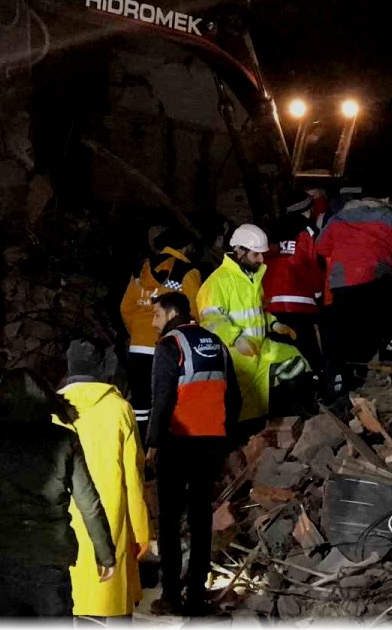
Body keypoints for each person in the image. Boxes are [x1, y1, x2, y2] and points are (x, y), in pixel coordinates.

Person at [0, 369, 117, 618]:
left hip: (1, 555)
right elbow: (89, 503)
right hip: (51, 556)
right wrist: (105, 553)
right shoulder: (65, 440)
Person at [145, 293, 242, 616]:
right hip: (211, 443)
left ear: (172, 313)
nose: (154, 322)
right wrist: (224, 436)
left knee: (170, 521)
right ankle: (197, 591)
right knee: (201, 518)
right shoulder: (215, 344)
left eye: (156, 315)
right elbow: (235, 397)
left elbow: (162, 400)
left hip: (177, 442)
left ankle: (171, 594)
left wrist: (153, 443)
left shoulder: (169, 345)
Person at [57, 339, 150, 620]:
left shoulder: (54, 410)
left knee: (76, 602)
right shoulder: (119, 409)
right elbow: (134, 476)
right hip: (111, 518)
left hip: (66, 520)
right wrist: (142, 531)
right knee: (111, 602)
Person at [195, 224, 310, 435]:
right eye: (256, 254)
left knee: (296, 362)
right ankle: (248, 440)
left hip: (260, 350)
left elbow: (255, 312)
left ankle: (287, 422)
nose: (261, 260)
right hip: (237, 358)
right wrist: (236, 339)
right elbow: (211, 321)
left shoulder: (252, 278)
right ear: (239, 251)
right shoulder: (216, 283)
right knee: (245, 409)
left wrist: (274, 323)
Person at [315, 183, 392, 393]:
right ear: (386, 199)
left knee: (344, 337)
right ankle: (391, 358)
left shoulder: (338, 218)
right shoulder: (388, 216)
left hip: (342, 286)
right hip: (376, 280)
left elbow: (321, 247)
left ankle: (340, 383)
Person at [119, 227, 202, 440]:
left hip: (138, 347)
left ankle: (139, 450)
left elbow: (126, 308)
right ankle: (163, 452)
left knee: (140, 404)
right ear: (184, 246)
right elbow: (194, 311)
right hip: (170, 347)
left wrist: (137, 333)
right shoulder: (187, 271)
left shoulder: (140, 270)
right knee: (168, 401)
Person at [262, 192, 326, 372]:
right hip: (299, 302)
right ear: (306, 210)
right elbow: (313, 264)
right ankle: (315, 387)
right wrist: (318, 295)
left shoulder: (270, 231)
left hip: (270, 304)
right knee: (307, 352)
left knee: (280, 355)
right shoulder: (308, 231)